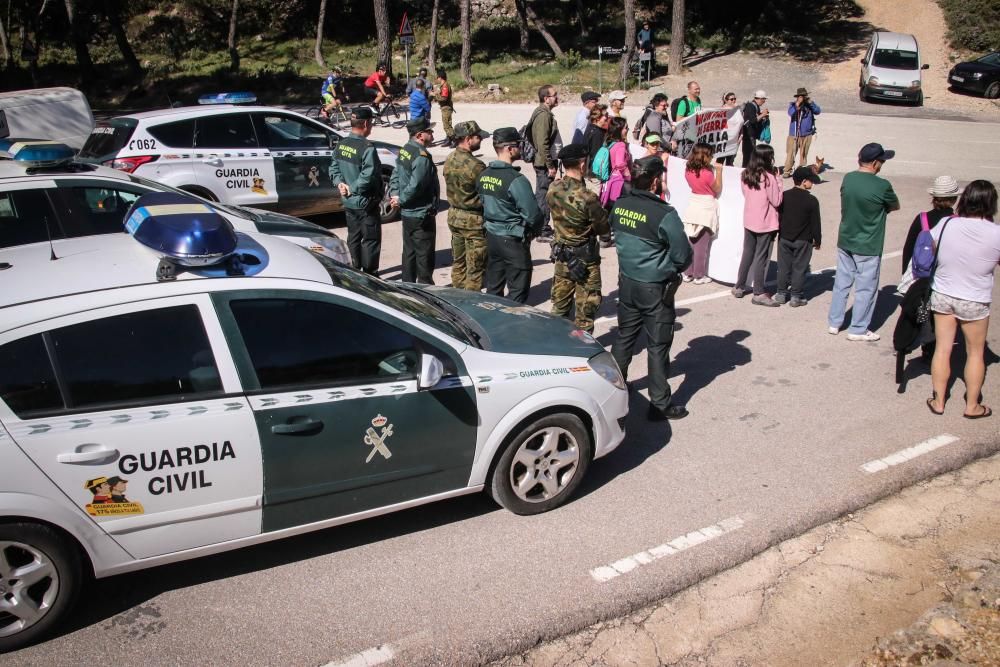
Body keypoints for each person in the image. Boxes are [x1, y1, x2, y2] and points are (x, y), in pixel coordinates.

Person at [610, 155, 693, 421]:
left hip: (627, 283)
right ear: (656, 180)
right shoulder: (664, 213)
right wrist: (665, 266)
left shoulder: (620, 204)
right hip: (654, 288)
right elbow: (682, 256)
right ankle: (659, 404)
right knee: (658, 346)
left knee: (624, 338)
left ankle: (612, 390)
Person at [925, 180, 1000, 418]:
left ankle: (938, 401)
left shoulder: (946, 224)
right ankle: (972, 405)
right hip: (975, 298)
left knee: (942, 349)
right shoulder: (996, 233)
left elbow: (933, 249)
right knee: (976, 353)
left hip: (943, 293)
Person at [827, 143, 900, 340]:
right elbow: (894, 205)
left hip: (846, 239)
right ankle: (858, 329)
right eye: (882, 161)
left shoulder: (849, 178)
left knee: (842, 283)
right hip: (868, 243)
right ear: (875, 162)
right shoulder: (882, 185)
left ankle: (834, 322)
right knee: (866, 288)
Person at [548, 143, 610, 333]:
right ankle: (582, 352)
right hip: (586, 261)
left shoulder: (554, 188)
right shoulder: (587, 197)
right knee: (585, 312)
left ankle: (553, 344)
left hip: (562, 256)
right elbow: (603, 228)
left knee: (559, 307)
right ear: (582, 164)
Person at [477, 127, 544, 303]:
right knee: (518, 289)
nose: (520, 149)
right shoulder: (516, 180)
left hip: (492, 236)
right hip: (513, 239)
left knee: (494, 285)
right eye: (518, 145)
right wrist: (533, 231)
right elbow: (532, 214)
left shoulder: (484, 175)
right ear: (509, 148)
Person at [328, 107, 384, 275]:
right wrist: (352, 188)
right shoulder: (367, 148)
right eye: (371, 123)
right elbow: (368, 176)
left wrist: (340, 184)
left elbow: (333, 168)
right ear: (365, 124)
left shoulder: (342, 144)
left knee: (353, 237)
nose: (372, 126)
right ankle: (370, 275)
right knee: (370, 240)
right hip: (365, 203)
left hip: (349, 202)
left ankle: (354, 272)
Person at [389, 117, 440, 284]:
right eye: (429, 131)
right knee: (424, 258)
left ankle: (406, 288)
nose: (432, 134)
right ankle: (426, 293)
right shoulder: (421, 157)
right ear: (420, 135)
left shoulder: (406, 149)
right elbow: (416, 186)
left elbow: (395, 174)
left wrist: (395, 195)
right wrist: (401, 199)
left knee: (409, 253)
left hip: (407, 213)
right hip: (420, 214)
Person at [733, 144, 783, 306]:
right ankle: (759, 292)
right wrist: (779, 181)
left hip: (749, 219)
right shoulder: (769, 178)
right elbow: (776, 200)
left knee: (748, 253)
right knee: (761, 257)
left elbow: (745, 194)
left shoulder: (745, 174)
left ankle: (739, 285)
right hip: (765, 222)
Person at [444, 120, 490, 291]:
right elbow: (486, 195)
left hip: (455, 216)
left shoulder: (449, 159)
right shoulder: (476, 166)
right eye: (478, 137)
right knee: (476, 268)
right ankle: (471, 301)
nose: (481, 140)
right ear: (468, 139)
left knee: (459, 262)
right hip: (473, 221)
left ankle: (456, 295)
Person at [774, 166, 823, 306]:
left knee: (783, 266)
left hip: (784, 237)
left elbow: (780, 216)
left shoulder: (785, 195)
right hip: (803, 240)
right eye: (811, 181)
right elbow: (815, 223)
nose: (812, 184)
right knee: (799, 267)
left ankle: (781, 293)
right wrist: (817, 240)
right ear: (804, 181)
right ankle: (796, 296)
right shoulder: (812, 200)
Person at [681, 142, 722, 285]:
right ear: (705, 156)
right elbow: (717, 189)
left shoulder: (688, 169)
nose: (712, 157)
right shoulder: (707, 174)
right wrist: (719, 172)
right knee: (701, 246)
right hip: (706, 207)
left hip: (693, 205)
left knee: (691, 241)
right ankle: (699, 275)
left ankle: (688, 272)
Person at [901, 175, 960, 273]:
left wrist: (905, 274)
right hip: (945, 277)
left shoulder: (922, 218)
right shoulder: (957, 222)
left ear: (934, 197)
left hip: (922, 273)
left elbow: (908, 248)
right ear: (954, 200)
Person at [527, 84, 561, 241]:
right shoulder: (543, 116)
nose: (557, 97)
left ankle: (540, 227)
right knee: (543, 195)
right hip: (544, 164)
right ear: (546, 99)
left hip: (543, 162)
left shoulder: (543, 113)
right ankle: (542, 230)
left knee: (542, 194)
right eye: (555, 95)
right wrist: (550, 165)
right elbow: (542, 143)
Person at [783, 87, 822, 178]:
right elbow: (790, 113)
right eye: (801, 96)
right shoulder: (793, 105)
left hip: (807, 134)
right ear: (797, 97)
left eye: (804, 96)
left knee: (803, 154)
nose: (803, 98)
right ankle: (787, 170)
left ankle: (801, 170)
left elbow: (818, 111)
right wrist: (797, 105)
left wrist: (811, 103)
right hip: (794, 134)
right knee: (790, 153)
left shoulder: (810, 105)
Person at [600, 117, 631, 209]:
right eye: (626, 128)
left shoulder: (608, 142)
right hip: (619, 183)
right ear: (619, 129)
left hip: (608, 180)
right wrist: (629, 176)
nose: (627, 130)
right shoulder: (621, 145)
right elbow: (620, 164)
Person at [741, 90, 769, 168]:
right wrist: (763, 115)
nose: (764, 102)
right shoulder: (751, 106)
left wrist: (762, 115)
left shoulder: (755, 106)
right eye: (764, 99)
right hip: (749, 135)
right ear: (760, 99)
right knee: (748, 155)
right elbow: (753, 120)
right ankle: (746, 171)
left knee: (750, 155)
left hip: (750, 134)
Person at [582, 104, 609, 178]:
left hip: (590, 170)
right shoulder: (597, 133)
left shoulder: (591, 128)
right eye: (605, 117)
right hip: (594, 172)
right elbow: (596, 155)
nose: (607, 118)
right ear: (597, 118)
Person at [716, 92, 738, 166]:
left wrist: (740, 136)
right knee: (721, 159)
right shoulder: (722, 110)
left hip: (733, 137)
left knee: (730, 160)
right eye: (731, 99)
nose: (733, 101)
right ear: (726, 100)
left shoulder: (736, 109)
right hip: (724, 137)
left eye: (734, 99)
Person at [436, 70, 456, 147]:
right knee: (447, 124)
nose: (437, 79)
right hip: (445, 107)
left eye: (437, 77)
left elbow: (444, 98)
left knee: (447, 125)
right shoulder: (443, 85)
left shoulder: (445, 86)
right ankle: (449, 139)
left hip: (446, 108)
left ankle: (454, 140)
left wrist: (435, 95)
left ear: (440, 78)